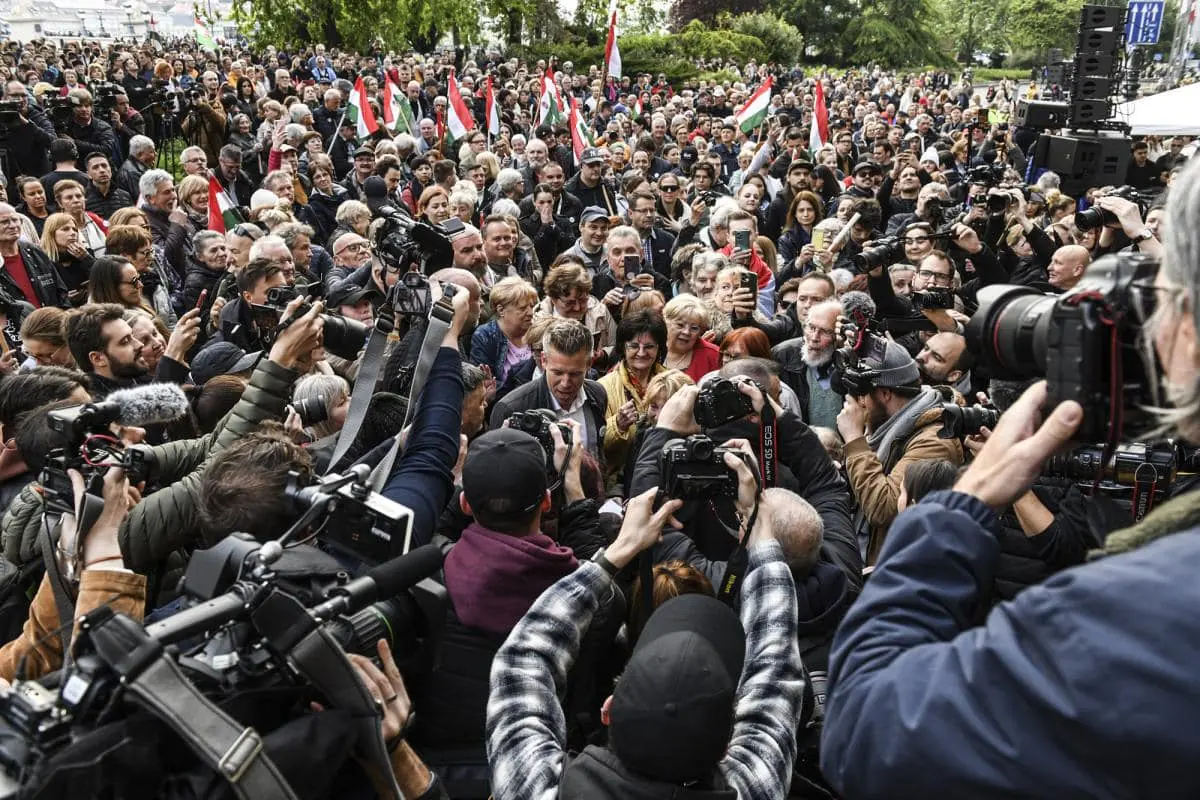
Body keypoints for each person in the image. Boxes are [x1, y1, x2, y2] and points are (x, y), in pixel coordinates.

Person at [819, 148, 1200, 800]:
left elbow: (867, 728)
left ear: (1187, 330)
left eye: (1156, 294)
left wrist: (958, 509)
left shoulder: (1135, 612)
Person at [487, 450, 804, 798]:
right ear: (729, 742)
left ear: (607, 710)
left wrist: (618, 552)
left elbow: (521, 659)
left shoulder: (539, 792)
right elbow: (774, 671)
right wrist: (761, 533)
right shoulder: (752, 789)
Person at [836, 337, 964, 564]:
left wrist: (855, 441)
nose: (857, 403)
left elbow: (883, 508)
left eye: (861, 394)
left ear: (885, 394)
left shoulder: (934, 440)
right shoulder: (886, 426)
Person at [489, 319, 608, 460]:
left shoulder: (598, 394)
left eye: (575, 374)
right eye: (557, 373)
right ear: (543, 360)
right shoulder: (511, 409)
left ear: (589, 363)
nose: (565, 383)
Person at [598, 310, 668, 479]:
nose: (642, 353)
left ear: (659, 349)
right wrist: (617, 425)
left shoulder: (674, 383)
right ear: (623, 347)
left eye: (649, 346)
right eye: (634, 346)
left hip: (664, 473)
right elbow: (596, 445)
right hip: (618, 480)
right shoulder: (603, 387)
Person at [470, 276, 538, 394]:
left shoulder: (537, 331)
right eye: (522, 308)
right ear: (501, 310)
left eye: (531, 306)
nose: (530, 313)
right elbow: (482, 385)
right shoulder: (485, 335)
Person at [0, 202, 67, 310]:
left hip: (51, 322)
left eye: (15, 220)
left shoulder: (34, 251)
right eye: (4, 222)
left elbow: (61, 291)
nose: (13, 225)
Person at [661, 294, 720, 382]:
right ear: (666, 322)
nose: (686, 332)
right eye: (680, 325)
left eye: (694, 328)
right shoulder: (651, 348)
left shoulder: (714, 355)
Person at [39, 212, 93, 296]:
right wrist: (65, 299)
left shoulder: (85, 255)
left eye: (75, 229)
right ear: (51, 234)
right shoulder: (42, 261)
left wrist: (86, 258)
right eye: (65, 229)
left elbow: (104, 277)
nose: (73, 233)